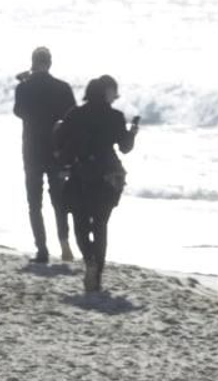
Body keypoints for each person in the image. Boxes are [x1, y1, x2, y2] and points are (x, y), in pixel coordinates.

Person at [54, 76, 139, 294]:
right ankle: (97, 276)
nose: (115, 96)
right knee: (100, 226)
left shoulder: (75, 114)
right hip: (107, 177)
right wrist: (132, 133)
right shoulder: (115, 117)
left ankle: (89, 260)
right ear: (106, 92)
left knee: (81, 224)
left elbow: (60, 139)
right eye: (113, 92)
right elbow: (125, 148)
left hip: (80, 174)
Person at [13, 47, 77, 265]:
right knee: (59, 200)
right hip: (56, 149)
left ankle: (42, 249)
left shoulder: (24, 88)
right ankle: (64, 241)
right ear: (50, 63)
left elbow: (18, 112)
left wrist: (23, 84)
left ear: (33, 63)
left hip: (31, 149)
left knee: (35, 202)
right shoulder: (63, 88)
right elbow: (72, 119)